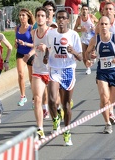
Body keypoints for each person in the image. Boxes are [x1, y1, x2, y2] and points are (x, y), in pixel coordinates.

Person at [85, 16, 115, 134]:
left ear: (109, 26)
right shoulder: (95, 39)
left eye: (106, 24)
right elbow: (87, 53)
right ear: (98, 26)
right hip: (102, 72)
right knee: (104, 97)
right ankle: (107, 123)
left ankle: (111, 110)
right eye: (101, 24)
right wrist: (89, 57)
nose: (103, 26)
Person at [44, 9, 83, 146]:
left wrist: (73, 52)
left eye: (63, 18)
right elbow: (48, 49)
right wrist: (46, 57)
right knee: (52, 100)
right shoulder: (51, 34)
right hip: (54, 69)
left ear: (68, 20)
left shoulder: (73, 35)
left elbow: (80, 57)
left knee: (66, 104)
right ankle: (56, 120)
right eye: (58, 18)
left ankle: (67, 132)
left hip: (68, 70)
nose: (61, 21)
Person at [24, 7, 52, 139]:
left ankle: (56, 118)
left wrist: (46, 48)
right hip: (38, 70)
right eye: (38, 15)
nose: (40, 18)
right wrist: (29, 54)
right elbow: (35, 47)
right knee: (37, 99)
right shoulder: (34, 32)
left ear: (47, 18)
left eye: (42, 15)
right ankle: (40, 128)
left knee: (54, 101)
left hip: (52, 70)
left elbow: (57, 50)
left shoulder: (51, 32)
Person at [15, 8, 36, 107]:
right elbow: (16, 43)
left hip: (30, 54)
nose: (21, 17)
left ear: (28, 17)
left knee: (32, 78)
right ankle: (23, 96)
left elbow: (35, 45)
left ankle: (34, 98)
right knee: (21, 74)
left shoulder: (31, 28)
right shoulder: (17, 28)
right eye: (20, 15)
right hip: (20, 53)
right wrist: (16, 44)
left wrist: (25, 43)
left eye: (23, 15)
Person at [74, 3, 99, 75]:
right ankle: (88, 68)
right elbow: (75, 29)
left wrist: (95, 27)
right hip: (84, 39)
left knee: (91, 54)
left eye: (86, 9)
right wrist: (80, 29)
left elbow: (99, 23)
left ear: (88, 11)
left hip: (92, 38)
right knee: (84, 55)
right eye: (83, 9)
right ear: (81, 10)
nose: (84, 11)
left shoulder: (91, 17)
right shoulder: (79, 19)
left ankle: (92, 59)